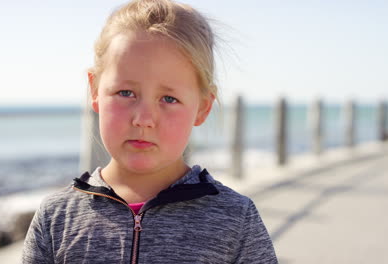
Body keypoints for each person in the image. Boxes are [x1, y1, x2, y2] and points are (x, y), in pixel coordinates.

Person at [22, 0, 277, 263]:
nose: (143, 119)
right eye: (125, 93)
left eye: (168, 99)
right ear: (95, 91)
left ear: (202, 107)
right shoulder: (56, 218)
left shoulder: (234, 219)